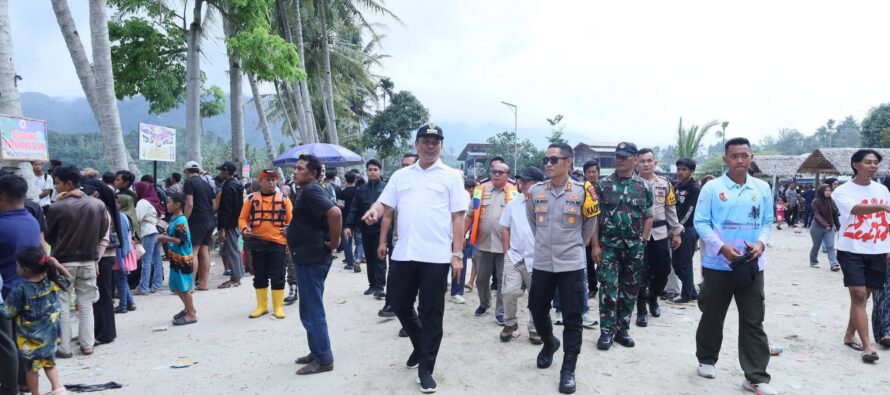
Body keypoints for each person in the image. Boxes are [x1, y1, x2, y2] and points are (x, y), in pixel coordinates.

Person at [362, 124, 468, 393]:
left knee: (431, 313)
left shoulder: (452, 175)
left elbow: (458, 216)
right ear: (416, 143)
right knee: (398, 303)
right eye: (426, 141)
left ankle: (425, 368)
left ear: (441, 146)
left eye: (435, 141)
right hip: (405, 253)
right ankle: (420, 346)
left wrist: (457, 255)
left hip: (436, 255)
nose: (430, 145)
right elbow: (385, 204)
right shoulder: (401, 175)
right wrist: (374, 211)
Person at [693, 137, 775, 395]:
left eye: (745, 155)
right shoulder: (712, 188)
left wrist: (761, 244)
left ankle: (755, 376)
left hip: (752, 264)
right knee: (712, 314)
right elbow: (701, 222)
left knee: (753, 319)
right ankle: (706, 359)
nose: (740, 160)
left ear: (751, 158)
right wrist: (721, 247)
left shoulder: (761, 188)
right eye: (735, 156)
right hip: (718, 264)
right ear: (725, 159)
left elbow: (767, 221)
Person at [526, 143, 598, 394]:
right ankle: (549, 343)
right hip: (544, 262)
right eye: (546, 159)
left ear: (569, 162)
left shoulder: (582, 191)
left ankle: (568, 369)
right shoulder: (536, 191)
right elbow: (533, 222)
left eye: (554, 160)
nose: (548, 164)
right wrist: (546, 243)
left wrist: (578, 243)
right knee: (536, 308)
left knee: (573, 317)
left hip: (572, 263)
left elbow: (590, 222)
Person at [592, 142, 652, 351]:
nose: (619, 159)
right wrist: (595, 246)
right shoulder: (603, 184)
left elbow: (648, 216)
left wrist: (643, 242)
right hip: (608, 246)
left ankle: (622, 330)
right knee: (608, 289)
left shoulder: (643, 186)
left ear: (634, 159)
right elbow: (595, 218)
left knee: (630, 290)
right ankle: (606, 332)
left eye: (624, 156)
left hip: (634, 247)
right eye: (617, 156)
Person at [46, 166, 110, 358]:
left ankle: (65, 348)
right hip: (89, 262)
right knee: (86, 305)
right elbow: (103, 232)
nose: (55, 187)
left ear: (69, 184)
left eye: (57, 183)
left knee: (63, 305)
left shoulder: (57, 207)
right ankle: (87, 344)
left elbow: (49, 236)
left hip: (63, 263)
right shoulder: (97, 205)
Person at [832, 149, 890, 363]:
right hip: (851, 249)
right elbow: (855, 210)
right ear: (856, 165)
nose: (873, 166)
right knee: (858, 295)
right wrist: (882, 205)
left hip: (876, 249)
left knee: (863, 296)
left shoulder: (882, 189)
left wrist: (888, 247)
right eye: (868, 162)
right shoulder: (842, 191)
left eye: (876, 162)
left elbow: (886, 221)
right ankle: (868, 347)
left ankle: (849, 334)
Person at [289, 155, 341, 375]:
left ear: (313, 173)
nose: (295, 171)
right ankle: (317, 351)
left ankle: (324, 359)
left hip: (312, 257)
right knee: (307, 308)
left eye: (300, 168)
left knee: (312, 309)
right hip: (306, 255)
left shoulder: (311, 190)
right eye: (295, 168)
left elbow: (335, 213)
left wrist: (335, 242)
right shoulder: (308, 190)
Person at [1, 247, 69, 395]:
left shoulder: (20, 290)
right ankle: (58, 388)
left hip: (29, 341)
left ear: (25, 269)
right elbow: (68, 279)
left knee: (31, 370)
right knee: (49, 363)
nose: (16, 268)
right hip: (50, 337)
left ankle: (35, 393)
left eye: (17, 265)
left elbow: (7, 313)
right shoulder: (52, 284)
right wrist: (57, 265)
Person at [0, 173, 42, 394]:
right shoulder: (31, 220)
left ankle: (11, 387)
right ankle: (23, 381)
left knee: (8, 344)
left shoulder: (3, 225)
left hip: (7, 291)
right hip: (28, 289)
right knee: (20, 341)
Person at [633, 149, 682, 327]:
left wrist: (676, 232)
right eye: (642, 161)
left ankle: (653, 297)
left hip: (660, 233)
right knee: (640, 273)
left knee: (663, 270)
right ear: (636, 163)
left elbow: (671, 209)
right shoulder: (631, 184)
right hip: (638, 235)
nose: (646, 164)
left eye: (649, 160)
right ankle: (641, 308)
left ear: (655, 162)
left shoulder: (665, 184)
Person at [499, 166, 545, 344]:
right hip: (515, 257)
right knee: (509, 292)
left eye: (527, 180)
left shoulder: (545, 204)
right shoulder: (514, 204)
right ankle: (510, 324)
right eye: (521, 180)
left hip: (538, 259)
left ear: (538, 183)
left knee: (537, 297)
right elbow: (505, 228)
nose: (522, 183)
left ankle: (535, 328)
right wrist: (506, 252)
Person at [466, 161, 516, 324]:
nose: (496, 174)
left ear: (507, 176)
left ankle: (500, 311)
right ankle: (484, 303)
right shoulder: (480, 191)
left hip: (505, 247)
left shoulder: (515, 193)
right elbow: (471, 215)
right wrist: (461, 237)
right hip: (483, 244)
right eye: (494, 171)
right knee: (481, 279)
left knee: (503, 281)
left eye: (500, 172)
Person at [241, 170, 293, 319]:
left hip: (278, 242)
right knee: (260, 275)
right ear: (261, 181)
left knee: (278, 275)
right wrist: (245, 229)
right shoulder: (251, 199)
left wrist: (289, 229)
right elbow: (242, 218)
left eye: (273, 180)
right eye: (267, 179)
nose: (271, 182)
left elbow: (292, 220)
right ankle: (261, 306)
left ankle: (278, 307)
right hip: (257, 242)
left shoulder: (284, 199)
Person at [81, 179, 119, 348]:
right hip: (103, 256)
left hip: (102, 257)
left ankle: (104, 334)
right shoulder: (103, 208)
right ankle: (102, 331)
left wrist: (95, 259)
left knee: (101, 295)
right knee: (102, 295)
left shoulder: (102, 210)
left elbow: (103, 239)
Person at [346, 160, 389, 302]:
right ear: (366, 172)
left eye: (375, 169)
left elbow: (391, 210)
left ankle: (380, 286)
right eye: (370, 169)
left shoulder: (386, 188)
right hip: (365, 229)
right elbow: (353, 209)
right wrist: (348, 225)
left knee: (380, 257)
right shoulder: (361, 190)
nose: (372, 172)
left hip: (381, 229)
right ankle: (372, 285)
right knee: (369, 257)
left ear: (380, 171)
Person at [159, 193, 197, 326]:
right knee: (176, 286)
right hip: (176, 258)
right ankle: (188, 308)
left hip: (182, 259)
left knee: (183, 287)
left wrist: (164, 238)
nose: (166, 205)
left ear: (177, 205)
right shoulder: (175, 219)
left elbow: (180, 240)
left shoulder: (181, 221)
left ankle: (191, 314)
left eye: (169, 202)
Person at [668, 158, 701, 304]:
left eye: (684, 169)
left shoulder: (694, 189)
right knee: (676, 264)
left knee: (685, 263)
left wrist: (677, 228)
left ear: (691, 171)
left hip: (688, 229)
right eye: (679, 169)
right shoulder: (676, 186)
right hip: (676, 229)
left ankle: (686, 294)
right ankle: (692, 292)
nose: (680, 172)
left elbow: (689, 211)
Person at [183, 161, 215, 290]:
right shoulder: (206, 184)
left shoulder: (189, 183)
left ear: (186, 172)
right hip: (210, 219)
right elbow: (213, 205)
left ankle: (190, 285)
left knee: (193, 251)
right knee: (204, 250)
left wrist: (183, 220)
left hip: (197, 220)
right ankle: (203, 284)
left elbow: (189, 204)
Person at [216, 162, 245, 289]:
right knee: (235, 249)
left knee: (231, 250)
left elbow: (226, 209)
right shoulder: (238, 185)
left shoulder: (228, 187)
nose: (220, 173)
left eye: (221, 171)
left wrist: (222, 228)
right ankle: (238, 273)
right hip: (236, 221)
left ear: (227, 172)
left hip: (229, 223)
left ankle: (235, 278)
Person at [134, 181, 164, 294]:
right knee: (157, 259)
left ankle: (144, 287)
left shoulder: (142, 202)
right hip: (155, 232)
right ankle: (157, 285)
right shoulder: (153, 202)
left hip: (147, 232)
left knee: (146, 260)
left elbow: (137, 218)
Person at [113, 196, 136, 314]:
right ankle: (130, 302)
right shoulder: (124, 215)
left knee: (120, 278)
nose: (116, 204)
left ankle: (123, 305)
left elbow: (121, 237)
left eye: (117, 202)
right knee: (122, 278)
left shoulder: (118, 217)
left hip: (120, 251)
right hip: (125, 250)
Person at [809, 184, 840, 271]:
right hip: (817, 227)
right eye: (826, 190)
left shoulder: (831, 201)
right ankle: (813, 261)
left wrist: (837, 225)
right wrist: (824, 224)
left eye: (829, 190)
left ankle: (834, 264)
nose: (828, 192)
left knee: (830, 246)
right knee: (816, 245)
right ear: (821, 191)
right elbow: (817, 215)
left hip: (830, 227)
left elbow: (835, 214)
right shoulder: (815, 201)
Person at [582, 160, 600, 298]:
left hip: (604, 229)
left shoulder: (604, 188)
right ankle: (592, 286)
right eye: (589, 172)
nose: (592, 174)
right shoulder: (582, 190)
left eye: (594, 171)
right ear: (585, 174)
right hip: (589, 230)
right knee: (589, 260)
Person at [337, 172, 359, 272]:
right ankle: (358, 259)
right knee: (359, 241)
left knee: (347, 241)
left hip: (346, 220)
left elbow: (340, 207)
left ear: (346, 180)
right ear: (355, 180)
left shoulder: (342, 192)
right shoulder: (359, 191)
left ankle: (350, 262)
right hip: (358, 219)